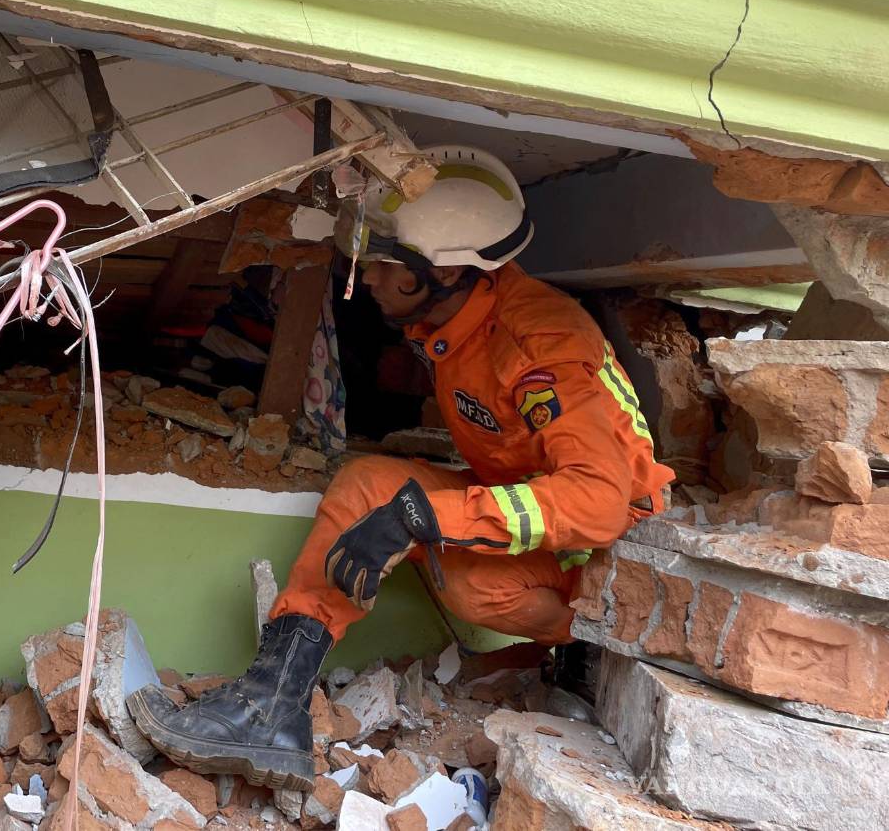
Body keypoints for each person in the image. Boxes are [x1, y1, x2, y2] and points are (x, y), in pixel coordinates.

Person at [128, 146, 675, 791]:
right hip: (529, 504)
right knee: (368, 485)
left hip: (608, 548)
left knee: (469, 585)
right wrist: (416, 510)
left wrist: (424, 516)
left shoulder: (539, 347)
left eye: (385, 266)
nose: (367, 279)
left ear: (444, 274)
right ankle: (269, 708)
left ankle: (589, 646)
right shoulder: (460, 318)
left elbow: (598, 503)